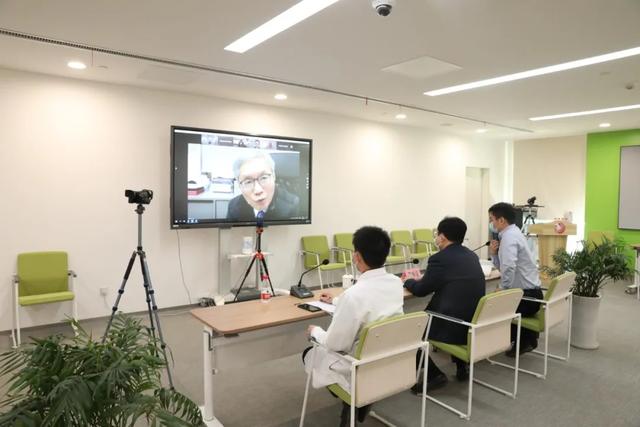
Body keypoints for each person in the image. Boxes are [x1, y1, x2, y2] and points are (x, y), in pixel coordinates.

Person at [303, 226, 404, 426]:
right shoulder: (395, 283)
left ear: (356, 256)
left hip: (360, 367)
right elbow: (372, 304)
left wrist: (316, 331)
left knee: (309, 353)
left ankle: (352, 403)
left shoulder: (353, 295)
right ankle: (356, 404)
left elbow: (335, 344)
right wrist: (336, 301)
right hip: (390, 361)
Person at [403, 217, 485, 391]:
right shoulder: (471, 255)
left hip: (451, 325)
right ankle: (462, 367)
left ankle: (434, 375)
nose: (436, 237)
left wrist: (408, 281)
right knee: (459, 303)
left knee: (407, 331)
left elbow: (421, 290)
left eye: (437, 234)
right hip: (472, 323)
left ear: (442, 237)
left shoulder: (439, 259)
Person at [488, 202, 543, 356]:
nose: (491, 223)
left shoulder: (509, 237)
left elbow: (509, 268)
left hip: (527, 298)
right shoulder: (514, 232)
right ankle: (526, 338)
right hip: (532, 295)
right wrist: (494, 254)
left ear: (501, 220)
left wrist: (503, 289)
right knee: (496, 298)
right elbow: (505, 267)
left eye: (492, 219)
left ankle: (520, 340)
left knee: (488, 306)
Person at [226, 151, 300, 221]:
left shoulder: (292, 206)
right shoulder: (234, 206)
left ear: (274, 176)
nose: (258, 190)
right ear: (239, 185)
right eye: (248, 182)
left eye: (264, 178)